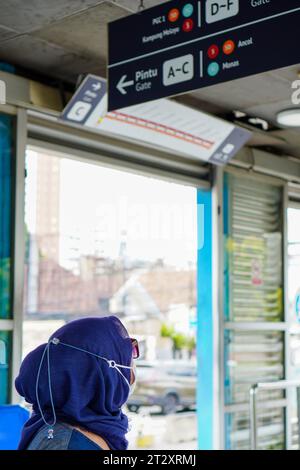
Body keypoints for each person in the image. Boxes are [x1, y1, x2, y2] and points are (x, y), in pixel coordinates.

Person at [15, 316, 139, 450]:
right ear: (98, 374)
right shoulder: (67, 444)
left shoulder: (85, 429)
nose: (133, 362)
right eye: (128, 353)